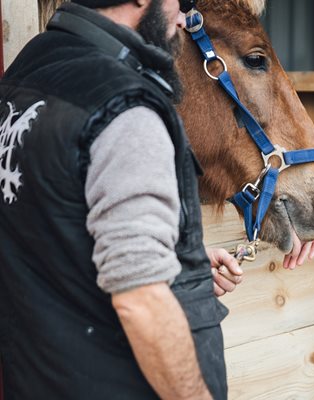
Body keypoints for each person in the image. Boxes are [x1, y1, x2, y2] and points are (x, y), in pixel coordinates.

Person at [0, 0, 243, 398]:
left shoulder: (27, 69)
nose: (184, 18)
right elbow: (142, 302)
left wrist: (174, 259)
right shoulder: (125, 107)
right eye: (182, 3)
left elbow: (49, 224)